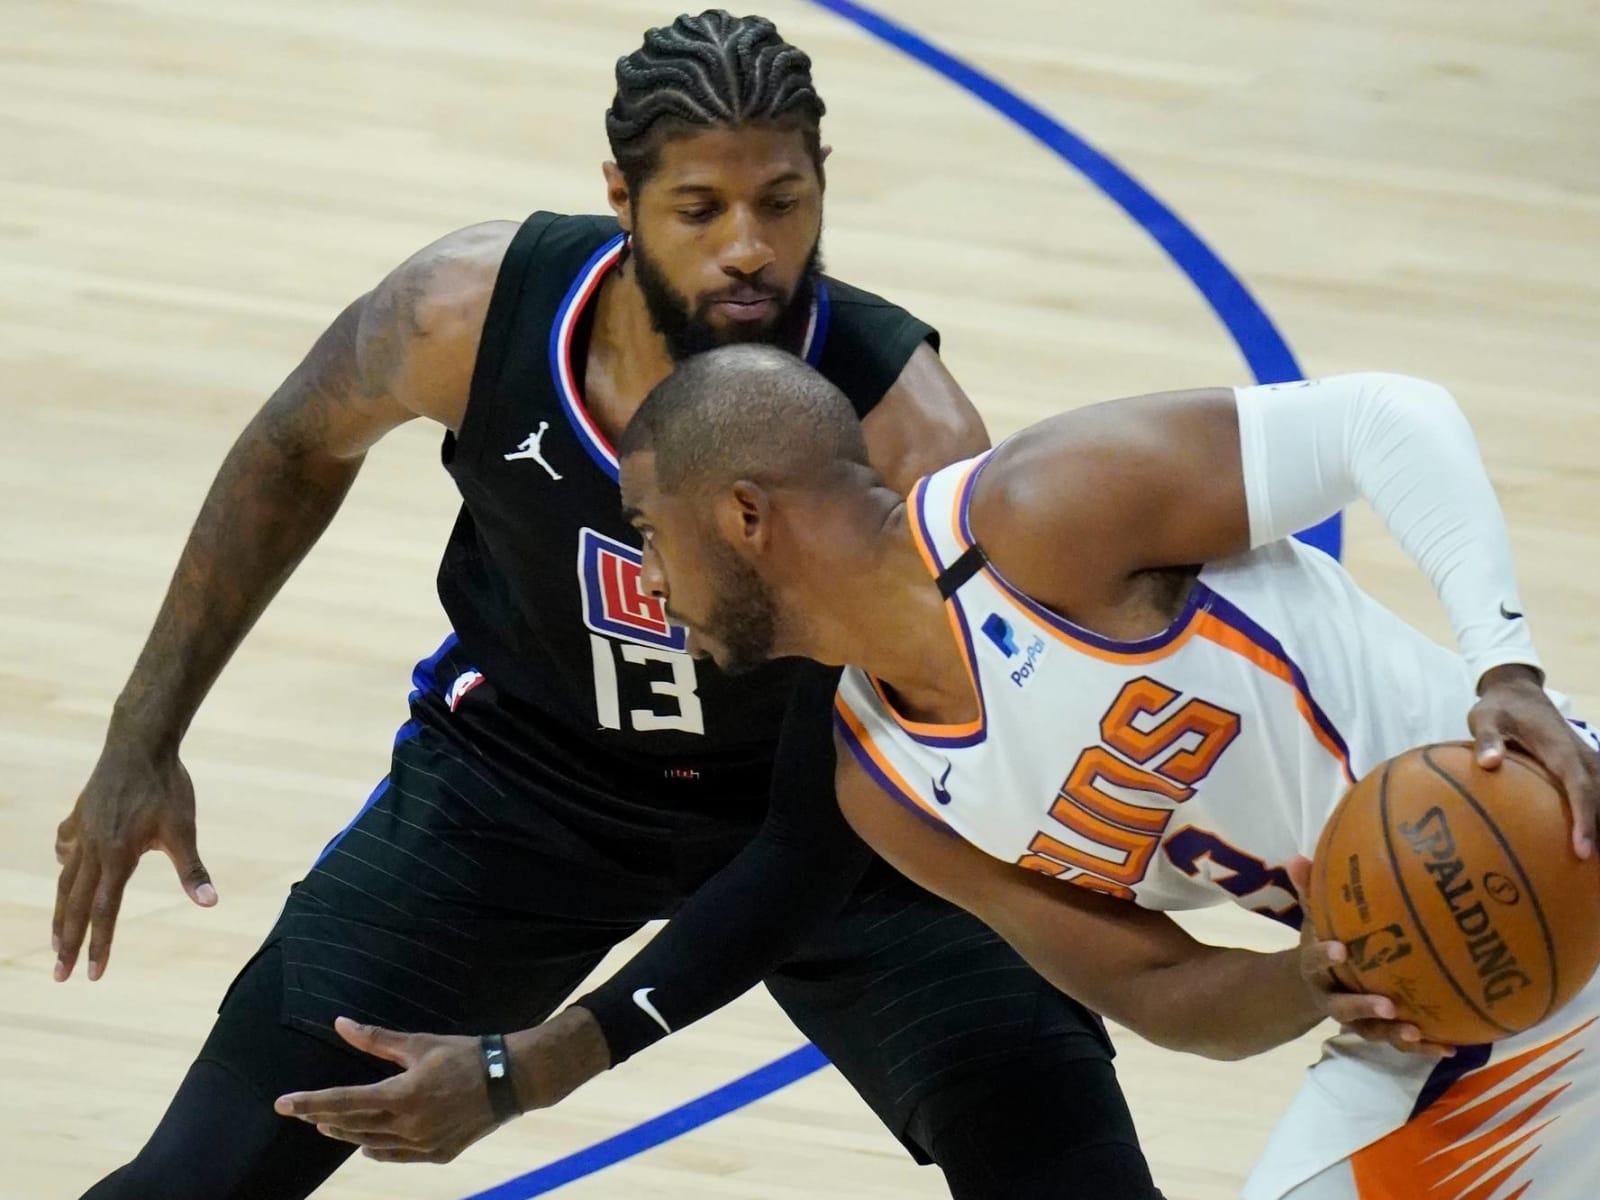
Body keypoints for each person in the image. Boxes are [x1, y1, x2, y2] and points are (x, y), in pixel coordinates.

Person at [56, 12, 1162, 1200]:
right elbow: (290, 451)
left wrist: (550, 1061)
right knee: (191, 1182)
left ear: (822, 190)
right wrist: (141, 736)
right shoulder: (466, 314)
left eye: (782, 204)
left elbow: (816, 835)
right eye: (700, 209)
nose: (749, 248)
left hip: (844, 819)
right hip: (517, 791)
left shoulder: (910, 437)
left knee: (1072, 1180)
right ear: (621, 198)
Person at [615, 345, 1600, 1200]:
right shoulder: (884, 785)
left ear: (745, 515)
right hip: (1449, 998)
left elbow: (1388, 419)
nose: (648, 584)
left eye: (650, 532)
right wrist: (1316, 979)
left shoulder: (1036, 515)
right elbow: (1159, 987)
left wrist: (1503, 666)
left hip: (1561, 846)